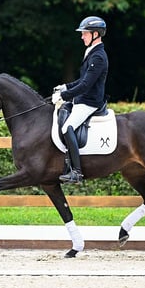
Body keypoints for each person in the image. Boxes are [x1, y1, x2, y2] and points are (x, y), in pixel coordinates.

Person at [52, 16, 109, 184]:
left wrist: (63, 96)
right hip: (82, 99)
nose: (82, 36)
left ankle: (76, 172)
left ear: (95, 34)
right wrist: (66, 87)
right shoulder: (92, 52)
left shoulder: (98, 56)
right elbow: (81, 80)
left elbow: (85, 85)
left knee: (67, 127)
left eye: (84, 33)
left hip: (90, 102)